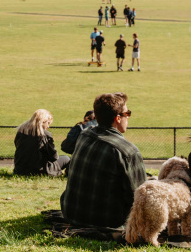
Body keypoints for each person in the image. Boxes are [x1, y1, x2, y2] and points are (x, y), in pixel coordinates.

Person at [60, 92, 146, 227]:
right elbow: (139, 198)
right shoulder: (127, 151)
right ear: (118, 118)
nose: (128, 117)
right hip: (106, 220)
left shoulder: (84, 135)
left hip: (72, 212)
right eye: (127, 113)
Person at [13, 109, 70, 177]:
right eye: (48, 123)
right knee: (66, 158)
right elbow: (53, 157)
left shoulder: (21, 131)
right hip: (39, 171)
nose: (48, 126)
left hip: (20, 170)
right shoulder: (45, 134)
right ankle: (68, 176)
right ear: (43, 122)